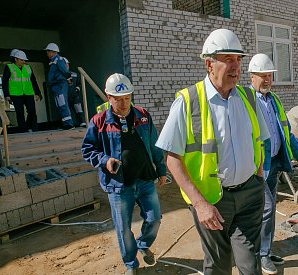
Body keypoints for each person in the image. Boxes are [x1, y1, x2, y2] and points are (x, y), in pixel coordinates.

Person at [156, 28, 270, 275]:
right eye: (228, 59)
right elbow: (172, 158)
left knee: (251, 266)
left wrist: (258, 179)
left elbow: (260, 141)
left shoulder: (249, 97)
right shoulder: (189, 101)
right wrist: (200, 203)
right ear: (209, 64)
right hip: (213, 200)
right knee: (218, 266)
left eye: (238, 59)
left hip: (250, 193)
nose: (236, 66)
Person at [81, 73, 166, 275]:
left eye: (127, 97)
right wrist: (104, 160)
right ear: (108, 97)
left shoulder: (142, 116)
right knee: (123, 228)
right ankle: (131, 264)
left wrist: (161, 169)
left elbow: (154, 145)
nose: (124, 103)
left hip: (145, 179)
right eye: (118, 99)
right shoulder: (99, 121)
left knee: (154, 219)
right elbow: (87, 150)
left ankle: (143, 244)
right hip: (119, 186)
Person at [248, 53, 298, 274]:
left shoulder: (274, 99)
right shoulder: (246, 100)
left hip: (273, 164)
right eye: (262, 76)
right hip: (257, 167)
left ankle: (264, 249)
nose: (267, 80)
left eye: (269, 76)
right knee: (265, 209)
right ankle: (261, 254)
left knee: (270, 209)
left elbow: (286, 132)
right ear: (251, 77)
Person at [2, 50, 43, 132]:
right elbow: (5, 82)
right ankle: (23, 130)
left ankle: (31, 127)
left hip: (28, 93)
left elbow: (33, 81)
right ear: (16, 59)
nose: (24, 62)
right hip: (16, 94)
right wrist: (7, 95)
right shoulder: (9, 67)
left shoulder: (28, 67)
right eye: (22, 60)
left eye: (24, 60)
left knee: (32, 111)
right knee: (20, 113)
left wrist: (38, 93)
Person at [44, 42, 74, 130]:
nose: (47, 53)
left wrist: (69, 79)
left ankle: (69, 124)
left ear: (53, 51)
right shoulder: (53, 61)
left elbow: (65, 71)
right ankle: (65, 123)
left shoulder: (58, 60)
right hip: (55, 85)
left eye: (48, 51)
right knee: (59, 104)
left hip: (60, 84)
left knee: (62, 103)